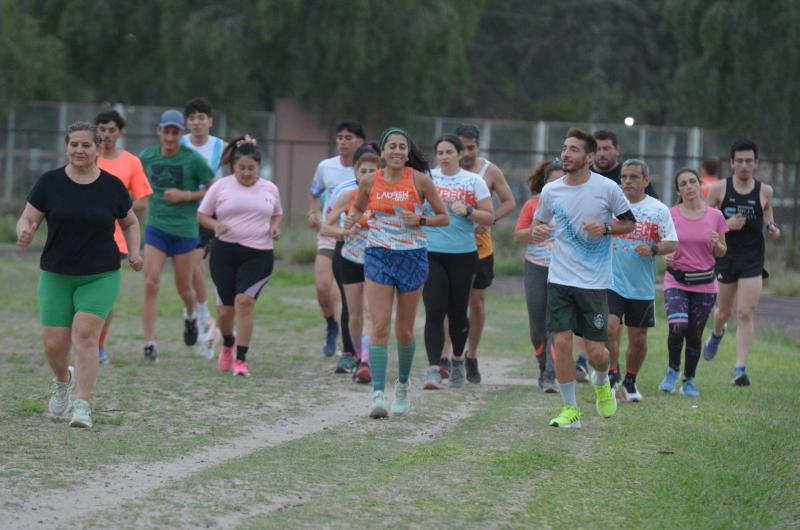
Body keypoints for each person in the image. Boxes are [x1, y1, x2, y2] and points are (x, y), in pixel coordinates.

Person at [16, 122, 143, 428]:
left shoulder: (111, 186)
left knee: (85, 336)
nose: (79, 150)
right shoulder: (50, 182)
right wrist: (24, 231)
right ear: (66, 147)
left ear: (98, 148)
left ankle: (82, 404)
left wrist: (135, 252)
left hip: (100, 273)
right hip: (57, 273)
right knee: (53, 344)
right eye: (74, 144)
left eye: (86, 145)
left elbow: (131, 222)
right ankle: (63, 381)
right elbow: (28, 216)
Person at [531, 128, 636, 429]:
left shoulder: (607, 189)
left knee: (596, 353)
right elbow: (540, 223)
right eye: (564, 148)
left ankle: (602, 382)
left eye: (574, 149)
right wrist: (538, 230)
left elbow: (629, 223)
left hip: (593, 282)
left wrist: (604, 229)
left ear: (589, 157)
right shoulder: (551, 191)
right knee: (562, 341)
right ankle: (570, 409)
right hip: (560, 277)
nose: (566, 154)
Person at [344, 127, 448, 419]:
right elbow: (357, 209)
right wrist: (351, 222)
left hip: (412, 257)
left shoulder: (420, 180)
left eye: (403, 147)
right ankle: (378, 394)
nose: (398, 151)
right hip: (378, 255)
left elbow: (444, 217)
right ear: (383, 152)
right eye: (392, 146)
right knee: (378, 326)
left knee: (403, 330)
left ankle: (402, 386)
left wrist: (421, 218)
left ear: (408, 151)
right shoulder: (369, 181)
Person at [197, 135, 282, 376]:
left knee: (243, 303)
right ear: (233, 167)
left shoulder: (270, 188)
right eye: (241, 168)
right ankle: (227, 343)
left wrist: (275, 227)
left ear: (259, 167)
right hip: (225, 252)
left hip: (259, 254)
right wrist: (215, 226)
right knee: (225, 311)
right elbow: (202, 215)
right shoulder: (220, 187)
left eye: (251, 168)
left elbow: (277, 213)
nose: (246, 173)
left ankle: (241, 359)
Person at [139, 109, 214, 361]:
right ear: (159, 131)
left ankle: (191, 316)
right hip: (156, 228)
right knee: (151, 282)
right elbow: (132, 182)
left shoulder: (192, 160)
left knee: (184, 287)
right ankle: (150, 343)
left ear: (180, 134)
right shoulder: (147, 157)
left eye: (175, 132)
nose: (170, 137)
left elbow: (214, 189)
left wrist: (186, 196)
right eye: (166, 131)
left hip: (184, 231)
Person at [704, 140, 781, 386]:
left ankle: (739, 370)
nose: (745, 165)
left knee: (745, 312)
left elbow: (767, 210)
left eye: (749, 161)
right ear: (732, 163)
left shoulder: (765, 191)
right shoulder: (719, 189)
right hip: (726, 256)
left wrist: (772, 225)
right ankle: (717, 333)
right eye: (740, 161)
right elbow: (704, 222)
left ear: (756, 163)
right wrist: (725, 225)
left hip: (752, 258)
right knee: (724, 312)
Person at [421, 135, 494, 390]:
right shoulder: (426, 177)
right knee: (434, 309)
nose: (443, 156)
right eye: (439, 152)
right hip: (431, 252)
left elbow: (489, 216)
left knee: (457, 312)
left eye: (449, 152)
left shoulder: (474, 181)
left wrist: (470, 211)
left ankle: (457, 360)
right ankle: (433, 368)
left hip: (463, 255)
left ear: (460, 154)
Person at [607, 159, 678, 401]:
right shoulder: (612, 205)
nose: (627, 181)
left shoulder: (658, 209)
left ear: (646, 180)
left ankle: (630, 381)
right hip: (611, 281)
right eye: (624, 176)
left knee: (638, 340)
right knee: (609, 328)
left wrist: (654, 248)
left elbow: (672, 242)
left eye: (633, 177)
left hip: (641, 286)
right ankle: (612, 375)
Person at [454, 123, 516, 383]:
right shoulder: (444, 172)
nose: (466, 153)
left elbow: (509, 201)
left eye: (471, 147)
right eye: (462, 147)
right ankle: (450, 356)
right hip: (451, 247)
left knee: (476, 303)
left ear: (478, 146)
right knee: (452, 305)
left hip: (481, 248)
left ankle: (472, 355)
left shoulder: (489, 171)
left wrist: (490, 220)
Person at [659, 169, 728, 397]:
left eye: (692, 182)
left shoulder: (715, 216)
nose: (689, 186)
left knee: (695, 334)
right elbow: (663, 245)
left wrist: (718, 244)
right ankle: (673, 370)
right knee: (678, 326)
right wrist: (665, 256)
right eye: (683, 184)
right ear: (678, 190)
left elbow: (721, 252)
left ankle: (689, 380)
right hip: (676, 280)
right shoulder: (670, 214)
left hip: (705, 284)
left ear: (700, 186)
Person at [94, 110, 153, 364]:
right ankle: (77, 339)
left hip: (114, 239)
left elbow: (142, 202)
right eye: (102, 129)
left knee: (103, 297)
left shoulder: (131, 162)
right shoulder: (86, 156)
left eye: (111, 130)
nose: (106, 135)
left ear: (120, 133)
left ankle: (98, 345)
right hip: (79, 235)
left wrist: (117, 207)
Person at [321, 145, 380, 382]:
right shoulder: (347, 196)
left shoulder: (384, 195)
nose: (366, 175)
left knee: (369, 311)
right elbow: (326, 228)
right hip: (349, 258)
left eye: (372, 171)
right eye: (362, 170)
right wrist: (344, 232)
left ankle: (366, 360)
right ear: (355, 172)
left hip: (376, 258)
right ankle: (356, 356)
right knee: (354, 313)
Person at [308, 122, 366, 358]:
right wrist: (313, 212)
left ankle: (351, 346)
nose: (342, 141)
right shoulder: (325, 166)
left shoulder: (369, 170)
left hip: (359, 239)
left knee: (348, 296)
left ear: (360, 142)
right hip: (331, 234)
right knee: (322, 286)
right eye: (339, 137)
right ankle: (331, 323)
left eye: (348, 137)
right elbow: (314, 192)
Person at [180, 97, 225, 359]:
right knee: (187, 272)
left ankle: (207, 319)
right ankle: (198, 317)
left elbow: (240, 168)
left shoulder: (222, 147)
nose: (197, 122)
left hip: (212, 214)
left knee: (201, 265)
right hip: (183, 214)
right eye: (192, 118)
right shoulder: (180, 145)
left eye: (201, 117)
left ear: (210, 121)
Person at [514, 159, 564, 393]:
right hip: (536, 266)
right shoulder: (533, 205)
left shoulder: (576, 205)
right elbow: (519, 235)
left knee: (554, 324)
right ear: (545, 184)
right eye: (552, 182)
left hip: (564, 270)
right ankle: (542, 364)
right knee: (537, 323)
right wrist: (534, 232)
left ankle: (550, 374)